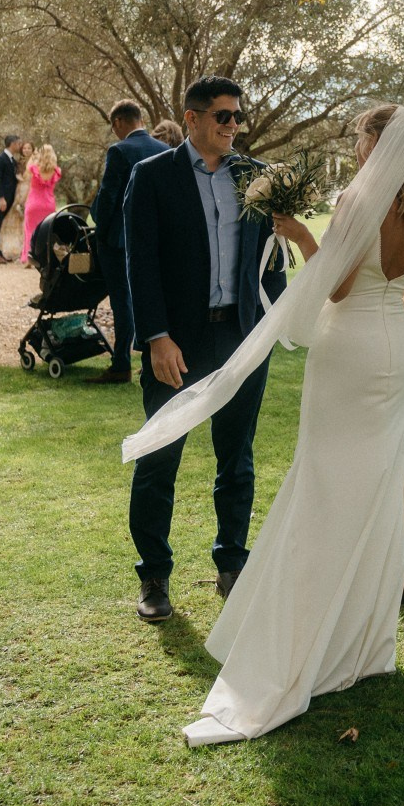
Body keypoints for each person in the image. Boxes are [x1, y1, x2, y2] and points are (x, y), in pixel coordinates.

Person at [177, 104, 404, 746]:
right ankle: (363, 643)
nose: (358, 149)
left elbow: (337, 288)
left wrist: (296, 232)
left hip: (347, 351)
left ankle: (303, 640)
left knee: (323, 486)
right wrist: (391, 334)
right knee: (375, 489)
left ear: (375, 146)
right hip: (394, 350)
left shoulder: (357, 202)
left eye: (362, 138)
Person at [123, 77, 286, 624]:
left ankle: (232, 564)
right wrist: (156, 336)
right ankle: (153, 575)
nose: (233, 125)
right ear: (191, 119)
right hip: (177, 343)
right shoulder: (152, 177)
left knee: (236, 457)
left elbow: (271, 258)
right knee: (159, 456)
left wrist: (270, 322)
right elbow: (140, 262)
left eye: (237, 115)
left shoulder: (256, 176)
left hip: (242, 338)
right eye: (222, 116)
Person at [91, 103, 168, 383]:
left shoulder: (119, 151)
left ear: (119, 121)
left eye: (113, 125)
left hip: (119, 240)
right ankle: (149, 360)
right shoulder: (164, 150)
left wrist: (100, 229)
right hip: (156, 238)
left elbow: (108, 196)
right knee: (151, 296)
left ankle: (121, 363)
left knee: (122, 301)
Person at [20, 144, 62, 265]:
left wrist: (33, 157)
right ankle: (44, 258)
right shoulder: (56, 170)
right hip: (48, 204)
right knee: (46, 231)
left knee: (30, 230)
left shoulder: (34, 168)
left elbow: (27, 170)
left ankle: (29, 258)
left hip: (34, 203)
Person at [0, 133, 23, 264]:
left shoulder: (12, 160)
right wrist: (1, 198)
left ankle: (0, 252)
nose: (20, 146)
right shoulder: (0, 159)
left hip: (9, 200)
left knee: (2, 227)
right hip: (0, 200)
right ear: (12, 144)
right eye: (18, 143)